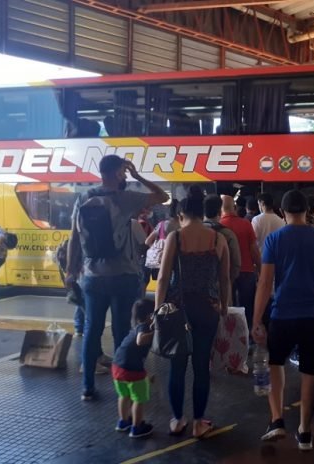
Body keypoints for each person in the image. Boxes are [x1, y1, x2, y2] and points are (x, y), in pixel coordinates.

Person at [66, 155, 169, 401]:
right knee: (123, 332)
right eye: (124, 172)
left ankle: (87, 387)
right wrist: (138, 176)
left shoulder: (84, 198)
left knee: (92, 330)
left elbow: (73, 238)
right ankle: (124, 384)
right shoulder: (125, 198)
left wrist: (71, 272)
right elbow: (163, 196)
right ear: (118, 173)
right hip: (123, 275)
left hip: (92, 276)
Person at [252, 189, 314, 451]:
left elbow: (266, 282)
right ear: (308, 210)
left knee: (275, 363)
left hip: (282, 315)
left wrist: (257, 319)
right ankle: (304, 431)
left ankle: (277, 420)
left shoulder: (274, 240)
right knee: (309, 372)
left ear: (283, 212)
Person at [155, 186, 231, 438]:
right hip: (208, 308)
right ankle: (199, 422)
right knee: (201, 366)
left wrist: (158, 311)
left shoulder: (174, 238)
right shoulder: (218, 239)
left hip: (179, 309)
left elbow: (164, 277)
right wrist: (224, 307)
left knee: (177, 366)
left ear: (181, 215)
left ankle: (178, 420)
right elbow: (225, 279)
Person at [112, 299, 155, 438]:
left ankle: (123, 422)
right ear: (150, 316)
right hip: (132, 370)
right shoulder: (145, 328)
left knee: (124, 395)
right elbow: (140, 340)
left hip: (117, 366)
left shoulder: (136, 326)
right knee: (138, 398)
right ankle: (137, 427)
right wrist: (157, 334)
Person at [221, 195, 261, 333]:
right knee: (247, 306)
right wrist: (260, 269)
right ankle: (247, 333)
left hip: (225, 274)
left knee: (228, 306)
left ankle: (229, 334)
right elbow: (254, 250)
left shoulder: (218, 226)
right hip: (246, 271)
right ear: (235, 207)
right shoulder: (245, 224)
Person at [203, 194, 241, 284]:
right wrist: (227, 282)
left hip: (196, 287)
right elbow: (236, 263)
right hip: (219, 287)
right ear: (220, 212)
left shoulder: (193, 232)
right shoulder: (227, 234)